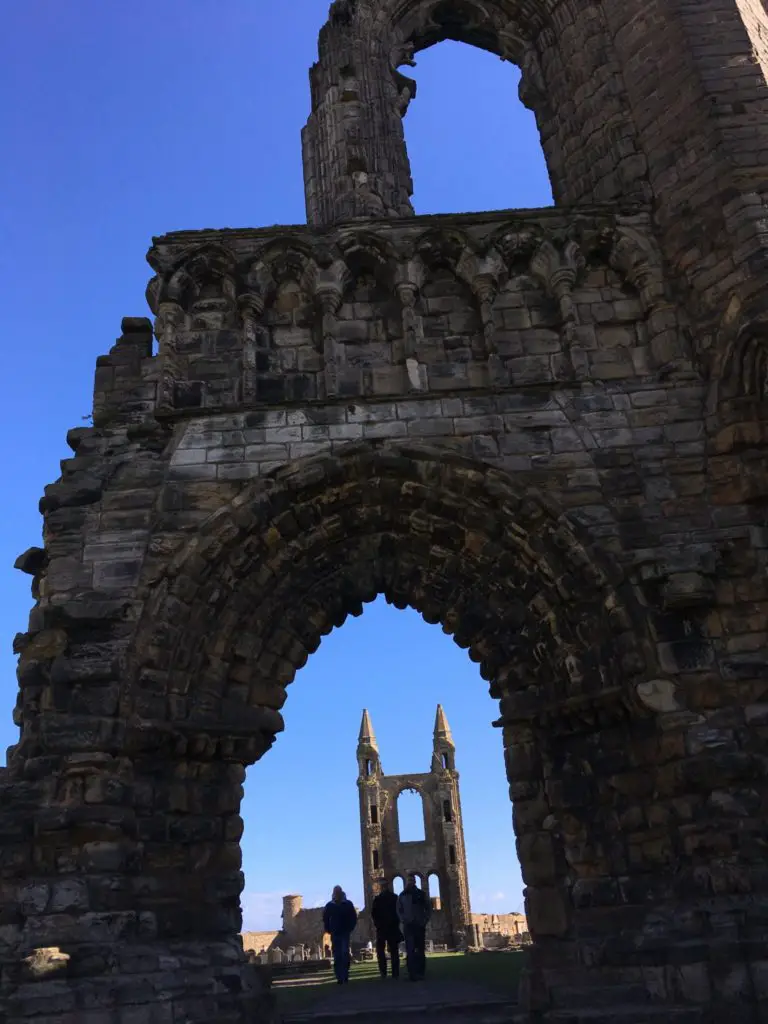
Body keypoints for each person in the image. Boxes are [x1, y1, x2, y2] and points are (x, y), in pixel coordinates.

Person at [397, 874, 431, 981]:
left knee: (420, 949)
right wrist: (403, 919)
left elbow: (428, 908)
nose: (410, 882)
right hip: (409, 925)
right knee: (410, 950)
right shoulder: (403, 895)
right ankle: (412, 973)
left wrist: (424, 921)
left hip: (419, 925)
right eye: (409, 880)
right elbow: (399, 909)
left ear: (415, 882)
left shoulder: (421, 894)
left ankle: (420, 972)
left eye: (412, 880)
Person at [322, 885, 358, 984]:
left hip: (345, 932)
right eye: (335, 892)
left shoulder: (347, 904)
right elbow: (325, 919)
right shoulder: (330, 905)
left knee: (344, 953)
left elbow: (353, 918)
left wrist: (350, 928)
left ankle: (345, 975)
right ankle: (339, 977)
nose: (336, 894)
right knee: (337, 955)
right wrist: (329, 930)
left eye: (338, 892)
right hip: (335, 933)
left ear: (341, 893)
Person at [371, 879, 402, 979]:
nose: (383, 887)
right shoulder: (393, 898)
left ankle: (386, 972)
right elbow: (374, 914)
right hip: (387, 927)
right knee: (390, 950)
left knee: (388, 950)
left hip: (385, 927)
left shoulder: (381, 899)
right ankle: (392, 972)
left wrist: (378, 924)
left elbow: (374, 914)